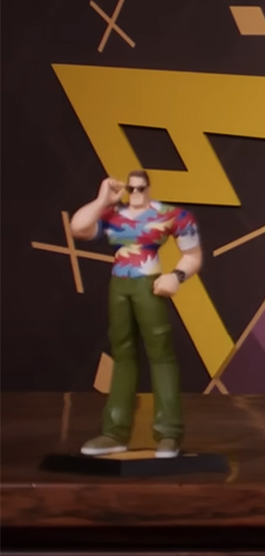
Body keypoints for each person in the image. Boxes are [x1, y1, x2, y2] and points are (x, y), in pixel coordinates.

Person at [69, 170, 202, 458]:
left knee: (161, 354)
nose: (137, 193)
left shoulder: (171, 215)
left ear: (149, 188)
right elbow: (78, 228)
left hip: (149, 285)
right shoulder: (113, 214)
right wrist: (102, 198)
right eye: (132, 188)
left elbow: (193, 255)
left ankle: (169, 432)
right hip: (119, 285)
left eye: (142, 188)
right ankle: (114, 431)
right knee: (122, 354)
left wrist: (176, 277)